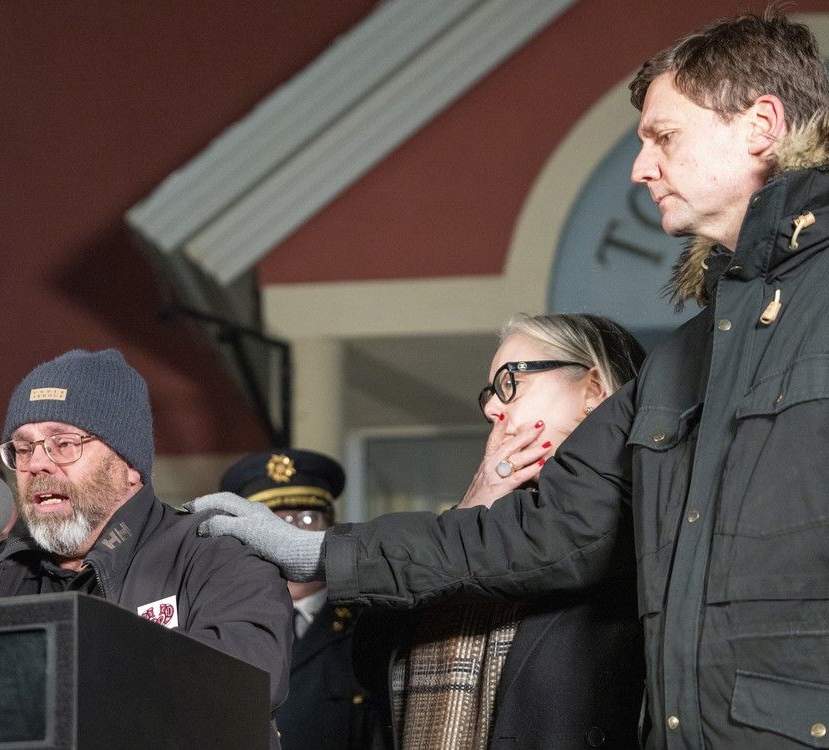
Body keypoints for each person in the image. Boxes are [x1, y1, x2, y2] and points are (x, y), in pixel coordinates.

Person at [192, 11, 829, 748]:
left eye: (664, 136)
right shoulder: (686, 363)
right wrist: (319, 552)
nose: (640, 167)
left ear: (760, 123)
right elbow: (544, 531)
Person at [0, 349, 292, 748]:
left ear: (129, 465)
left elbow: (248, 681)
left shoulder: (214, 553)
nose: (37, 465)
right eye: (24, 448)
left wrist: (29, 663)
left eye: (63, 443)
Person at [351, 313, 645, 749]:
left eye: (511, 382)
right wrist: (470, 514)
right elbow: (369, 659)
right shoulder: (482, 515)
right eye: (489, 393)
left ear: (594, 389)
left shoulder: (643, 517)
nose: (492, 408)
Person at [220, 448, 388, 750]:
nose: (290, 535)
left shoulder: (370, 623)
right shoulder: (222, 623)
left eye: (308, 519)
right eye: (273, 521)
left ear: (332, 529)